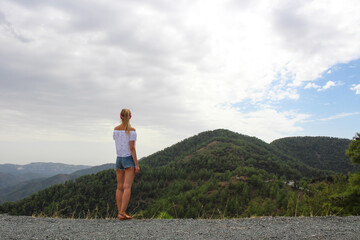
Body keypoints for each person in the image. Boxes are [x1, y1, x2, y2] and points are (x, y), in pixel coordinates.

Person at [113, 109, 140, 220]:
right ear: (130, 117)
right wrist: (136, 165)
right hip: (128, 159)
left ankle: (120, 212)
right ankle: (123, 212)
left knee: (119, 188)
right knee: (127, 187)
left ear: (120, 116)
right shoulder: (132, 131)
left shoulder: (115, 130)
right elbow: (132, 148)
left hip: (118, 158)